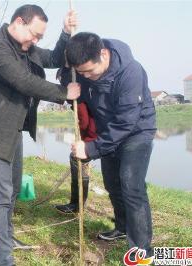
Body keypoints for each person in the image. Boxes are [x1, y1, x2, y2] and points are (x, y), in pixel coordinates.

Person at [0, 4, 78, 265]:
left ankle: (6, 238)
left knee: (12, 192)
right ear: (19, 22)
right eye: (34, 34)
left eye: (40, 37)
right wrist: (64, 93)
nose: (35, 41)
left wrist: (65, 33)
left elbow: (53, 58)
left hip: (13, 129)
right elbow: (24, 81)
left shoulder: (25, 47)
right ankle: (2, 259)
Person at [66, 32, 156, 256]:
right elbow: (68, 75)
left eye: (89, 71)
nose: (86, 76)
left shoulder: (131, 72)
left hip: (136, 131)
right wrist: (70, 90)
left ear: (103, 55)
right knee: (113, 184)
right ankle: (123, 227)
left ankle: (142, 251)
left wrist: (90, 148)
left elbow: (126, 121)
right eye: (81, 72)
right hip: (107, 132)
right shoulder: (82, 70)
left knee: (131, 186)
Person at [54, 67, 97, 214]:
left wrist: (85, 142)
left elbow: (84, 119)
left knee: (78, 160)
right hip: (95, 133)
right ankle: (76, 204)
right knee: (76, 160)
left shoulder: (77, 94)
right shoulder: (83, 87)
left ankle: (77, 205)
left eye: (61, 81)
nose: (60, 84)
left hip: (95, 134)